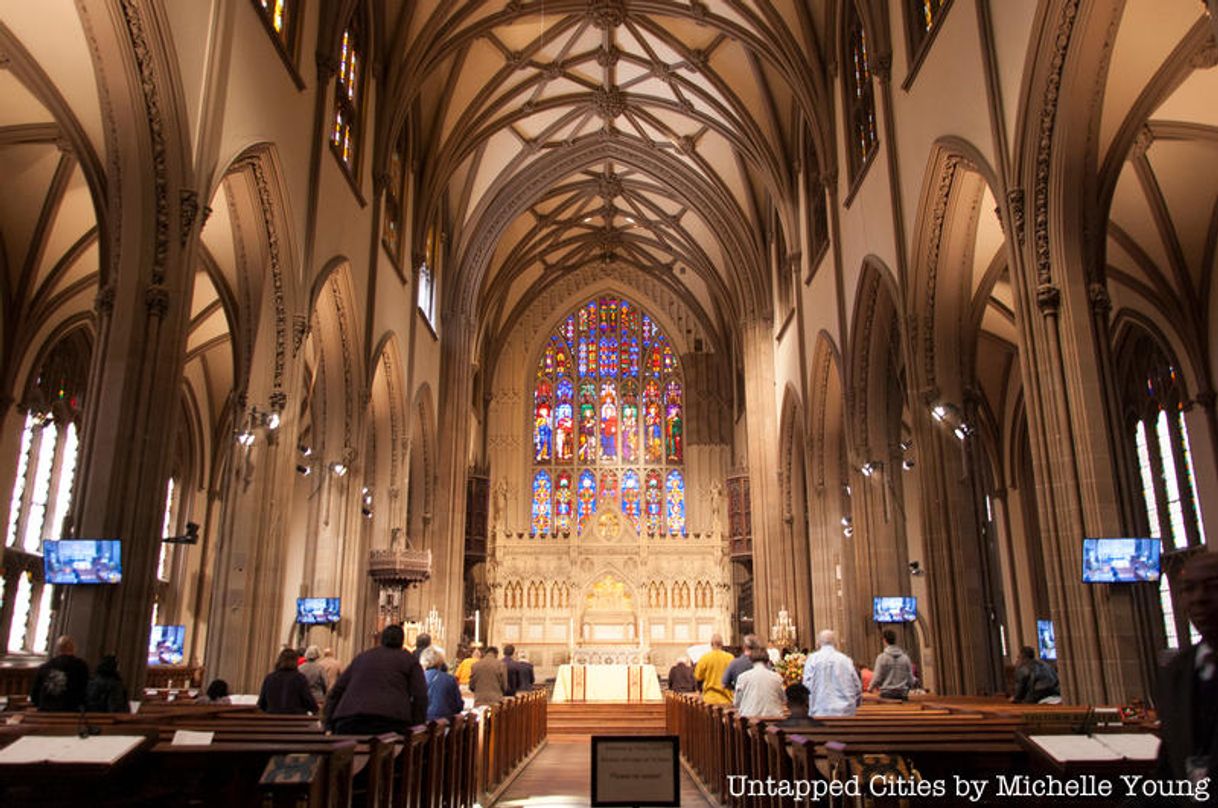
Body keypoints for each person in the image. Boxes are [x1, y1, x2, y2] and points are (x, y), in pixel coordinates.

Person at [1157, 552, 1218, 788]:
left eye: (1212, 586)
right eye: (1188, 588)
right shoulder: (1175, 673)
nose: (1199, 598)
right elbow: (1168, 775)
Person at [325, 624, 428, 735]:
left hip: (349, 721)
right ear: (402, 641)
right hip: (390, 722)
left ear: (381, 640)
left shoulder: (362, 657)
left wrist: (329, 724)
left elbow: (336, 691)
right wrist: (417, 727)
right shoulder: (409, 660)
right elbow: (420, 695)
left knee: (345, 751)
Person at [802, 629, 861, 717]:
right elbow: (856, 686)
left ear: (818, 643)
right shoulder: (845, 660)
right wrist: (855, 703)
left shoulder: (812, 659)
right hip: (844, 713)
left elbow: (806, 685)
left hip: (819, 711)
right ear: (835, 643)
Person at [30, 635, 90, 712]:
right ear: (74, 648)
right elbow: (84, 691)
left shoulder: (45, 667)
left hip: (46, 711)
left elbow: (34, 694)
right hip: (71, 712)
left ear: (57, 649)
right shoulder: (81, 666)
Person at [258, 647, 317, 714]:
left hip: (273, 721)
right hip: (296, 721)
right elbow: (310, 704)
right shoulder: (300, 679)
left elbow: (261, 704)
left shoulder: (269, 678)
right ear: (295, 661)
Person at [733, 648, 787, 719]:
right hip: (773, 720)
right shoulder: (777, 677)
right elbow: (784, 699)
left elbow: (737, 703)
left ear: (751, 660)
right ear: (768, 660)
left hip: (749, 720)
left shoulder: (742, 677)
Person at [420, 646, 464, 722]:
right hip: (446, 725)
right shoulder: (450, 679)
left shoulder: (420, 678)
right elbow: (459, 705)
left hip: (425, 723)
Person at [870, 630, 915, 700]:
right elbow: (910, 679)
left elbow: (877, 677)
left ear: (884, 640)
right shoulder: (905, 658)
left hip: (887, 695)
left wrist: (870, 688)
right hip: (902, 694)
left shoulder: (881, 657)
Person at [693, 634, 734, 705]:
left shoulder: (705, 658)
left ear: (711, 644)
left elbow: (698, 677)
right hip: (727, 699)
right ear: (722, 644)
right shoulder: (730, 658)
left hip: (709, 699)